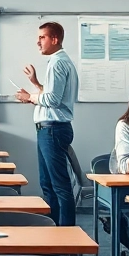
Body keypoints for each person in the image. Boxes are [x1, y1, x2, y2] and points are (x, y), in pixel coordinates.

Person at [15, 22, 79, 226]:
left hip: (52, 129)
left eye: (42, 37)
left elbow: (52, 100)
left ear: (55, 39)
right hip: (50, 129)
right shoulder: (60, 61)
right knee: (49, 185)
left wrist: (29, 97)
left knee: (59, 186)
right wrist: (36, 84)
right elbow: (53, 94)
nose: (37, 42)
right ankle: (53, 231)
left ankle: (66, 236)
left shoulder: (57, 63)